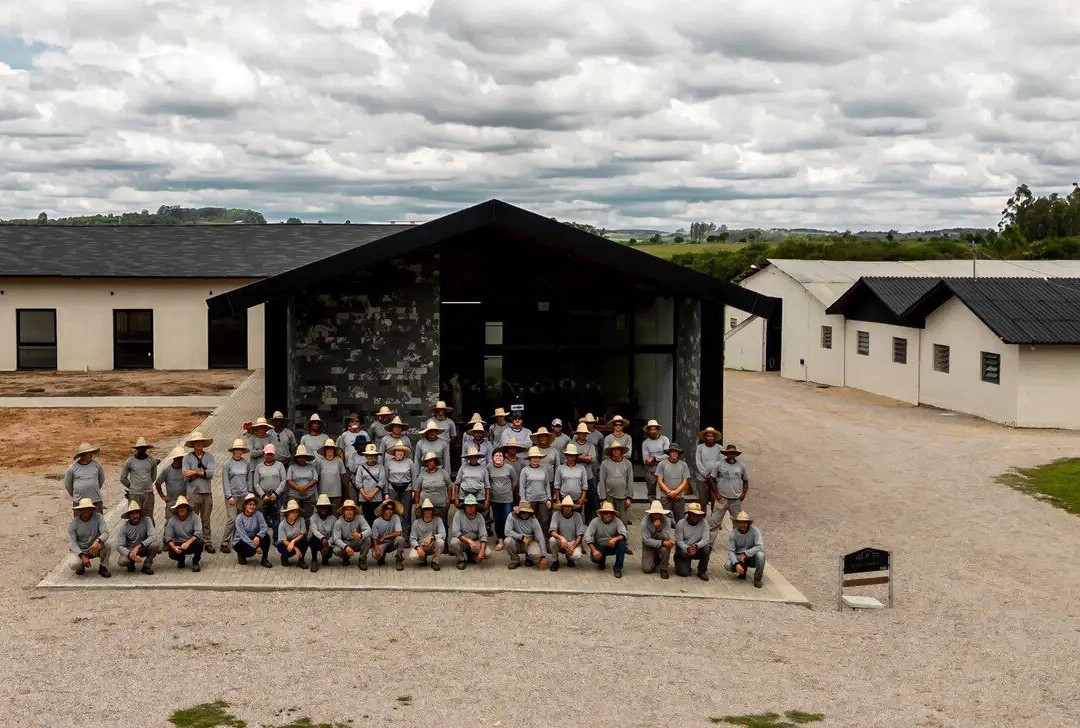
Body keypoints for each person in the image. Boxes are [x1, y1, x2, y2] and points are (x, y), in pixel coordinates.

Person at [182, 432, 217, 553]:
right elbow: (185, 475)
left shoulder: (210, 457)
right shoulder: (187, 457)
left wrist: (194, 472)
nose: (198, 444)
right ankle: (193, 541)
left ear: (203, 444)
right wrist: (202, 472)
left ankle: (207, 541)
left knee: (206, 518)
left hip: (206, 492)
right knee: (192, 518)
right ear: (193, 445)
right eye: (196, 442)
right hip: (192, 493)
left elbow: (211, 474)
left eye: (200, 442)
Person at [707, 444, 749, 542]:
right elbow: (711, 479)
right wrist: (717, 493)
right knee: (714, 522)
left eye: (733, 453)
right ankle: (708, 544)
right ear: (726, 454)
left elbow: (746, 481)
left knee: (738, 523)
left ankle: (738, 543)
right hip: (722, 499)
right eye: (729, 453)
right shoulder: (719, 465)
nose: (731, 455)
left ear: (736, 454)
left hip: (736, 499)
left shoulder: (741, 466)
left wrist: (744, 494)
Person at [220, 438, 253, 554]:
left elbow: (249, 478)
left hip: (243, 495)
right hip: (232, 496)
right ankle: (224, 542)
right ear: (233, 451)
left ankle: (237, 541)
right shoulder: (227, 464)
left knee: (241, 519)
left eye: (240, 450)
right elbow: (225, 481)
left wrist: (249, 491)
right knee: (232, 519)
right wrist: (229, 496)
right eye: (236, 450)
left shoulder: (246, 463)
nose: (238, 452)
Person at [252, 443, 287, 547]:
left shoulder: (280, 465)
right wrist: (263, 495)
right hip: (263, 496)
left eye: (271, 454)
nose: (269, 456)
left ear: (274, 454)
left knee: (276, 518)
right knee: (262, 518)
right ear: (264, 454)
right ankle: (262, 538)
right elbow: (256, 483)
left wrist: (276, 493)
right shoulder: (259, 467)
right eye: (267, 454)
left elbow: (283, 480)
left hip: (276, 495)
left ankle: (276, 538)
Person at [66, 498, 111, 577]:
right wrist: (82, 556)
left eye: (88, 509)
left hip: (94, 547)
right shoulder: (73, 523)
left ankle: (103, 566)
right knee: (73, 564)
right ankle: (81, 565)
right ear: (80, 510)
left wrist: (97, 541)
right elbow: (72, 543)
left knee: (107, 546)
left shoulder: (99, 517)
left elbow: (105, 533)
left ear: (91, 509)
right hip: (81, 549)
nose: (86, 511)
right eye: (83, 509)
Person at [115, 499, 159, 575]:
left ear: (140, 513)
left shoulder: (147, 520)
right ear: (129, 516)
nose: (135, 515)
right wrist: (130, 554)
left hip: (143, 547)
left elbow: (152, 536)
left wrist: (139, 546)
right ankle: (131, 563)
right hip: (130, 549)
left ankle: (146, 566)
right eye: (132, 513)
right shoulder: (124, 527)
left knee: (155, 545)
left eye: (136, 512)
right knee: (122, 562)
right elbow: (119, 546)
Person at [585, 500, 628, 578]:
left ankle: (618, 568)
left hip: (612, 546)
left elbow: (624, 533)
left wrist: (615, 539)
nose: (608, 514)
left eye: (610, 513)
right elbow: (587, 536)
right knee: (595, 559)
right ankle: (601, 560)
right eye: (606, 512)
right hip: (600, 546)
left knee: (622, 544)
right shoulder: (595, 522)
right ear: (602, 513)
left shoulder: (617, 521)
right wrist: (594, 551)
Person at [119, 436, 158, 518]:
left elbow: (153, 477)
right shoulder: (130, 461)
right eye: (140, 448)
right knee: (134, 517)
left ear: (146, 449)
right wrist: (131, 487)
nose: (142, 450)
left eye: (144, 448)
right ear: (137, 449)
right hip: (135, 494)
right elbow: (123, 478)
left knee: (148, 517)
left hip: (148, 493)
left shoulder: (152, 460)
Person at [411, 451, 452, 528]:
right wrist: (417, 503)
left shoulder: (443, 473)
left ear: (435, 462)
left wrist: (449, 499)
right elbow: (417, 489)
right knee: (426, 525)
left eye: (431, 461)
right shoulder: (422, 474)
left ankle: (443, 540)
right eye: (427, 461)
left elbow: (449, 485)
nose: (429, 463)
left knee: (442, 525)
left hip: (441, 504)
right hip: (425, 505)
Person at [725, 511, 765, 587]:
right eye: (740, 522)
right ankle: (742, 571)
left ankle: (757, 579)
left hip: (752, 556)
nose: (742, 524)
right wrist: (736, 564)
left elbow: (760, 546)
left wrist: (746, 553)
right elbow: (731, 551)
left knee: (761, 555)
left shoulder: (755, 530)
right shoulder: (733, 533)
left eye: (744, 522)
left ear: (748, 523)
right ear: (737, 523)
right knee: (728, 565)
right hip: (739, 557)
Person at [504, 501, 548, 570]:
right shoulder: (511, 516)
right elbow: (507, 532)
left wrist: (543, 556)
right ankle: (515, 560)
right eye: (523, 512)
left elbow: (540, 537)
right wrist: (521, 537)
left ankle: (529, 558)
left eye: (527, 512)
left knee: (536, 554)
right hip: (517, 541)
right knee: (507, 541)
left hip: (530, 542)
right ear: (519, 512)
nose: (525, 514)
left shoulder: (534, 520)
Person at [164, 495, 204, 572]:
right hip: (179, 544)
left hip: (191, 542)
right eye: (179, 507)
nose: (182, 509)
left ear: (187, 508)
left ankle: (195, 561)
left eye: (183, 507)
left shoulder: (194, 517)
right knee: (171, 551)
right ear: (177, 509)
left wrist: (188, 543)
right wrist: (174, 547)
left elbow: (199, 532)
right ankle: (180, 559)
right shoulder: (172, 520)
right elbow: (168, 537)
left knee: (200, 543)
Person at [383, 440, 416, 532]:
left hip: (407, 488)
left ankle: (406, 536)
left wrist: (413, 490)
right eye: (398, 451)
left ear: (404, 452)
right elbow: (385, 478)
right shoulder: (388, 463)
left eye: (402, 451)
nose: (400, 453)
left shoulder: (409, 462)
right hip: (392, 488)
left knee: (406, 513)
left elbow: (414, 477)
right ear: (394, 452)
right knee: (392, 512)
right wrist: (386, 492)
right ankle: (393, 535)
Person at [598, 443, 633, 528]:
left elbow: (630, 480)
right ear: (611, 451)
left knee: (623, 520)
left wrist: (629, 497)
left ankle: (622, 538)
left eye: (618, 449)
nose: (616, 451)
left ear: (621, 451)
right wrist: (603, 498)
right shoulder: (605, 463)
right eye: (614, 450)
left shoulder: (627, 463)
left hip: (623, 496)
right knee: (608, 518)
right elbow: (602, 481)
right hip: (608, 495)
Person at [488, 449, 517, 551]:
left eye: (501, 455)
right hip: (495, 499)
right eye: (496, 455)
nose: (498, 457)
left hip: (507, 499)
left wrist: (509, 490)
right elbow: (487, 481)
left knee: (507, 519)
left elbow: (515, 481)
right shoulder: (489, 468)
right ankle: (500, 540)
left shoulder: (509, 468)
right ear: (492, 457)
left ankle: (507, 539)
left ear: (504, 458)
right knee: (497, 519)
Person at [232, 493, 272, 568]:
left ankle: (264, 559)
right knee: (251, 552)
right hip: (240, 541)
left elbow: (264, 527)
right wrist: (256, 547)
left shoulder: (258, 514)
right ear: (245, 505)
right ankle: (241, 554)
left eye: (254, 504)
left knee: (266, 537)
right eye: (249, 504)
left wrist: (258, 536)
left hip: (253, 537)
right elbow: (243, 536)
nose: (252, 506)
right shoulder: (239, 518)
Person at [519, 446, 553, 533]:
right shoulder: (525, 470)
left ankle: (544, 539)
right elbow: (522, 487)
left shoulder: (543, 469)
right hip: (529, 500)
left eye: (537, 457)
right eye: (533, 457)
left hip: (542, 499)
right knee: (530, 520)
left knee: (544, 520)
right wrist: (523, 500)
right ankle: (530, 539)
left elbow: (546, 485)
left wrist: (549, 498)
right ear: (530, 458)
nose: (535, 459)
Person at [449, 494, 488, 570]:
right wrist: (468, 540)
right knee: (454, 542)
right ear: (465, 506)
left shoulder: (480, 517)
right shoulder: (458, 514)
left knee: (488, 553)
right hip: (462, 541)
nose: (471, 508)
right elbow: (455, 532)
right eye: (468, 505)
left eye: (473, 505)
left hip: (475, 541)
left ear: (476, 507)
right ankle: (461, 560)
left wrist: (482, 550)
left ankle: (471, 555)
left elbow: (483, 535)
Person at [656, 443, 691, 524]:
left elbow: (685, 481)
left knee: (680, 520)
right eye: (672, 452)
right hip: (665, 496)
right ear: (669, 453)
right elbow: (659, 480)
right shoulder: (662, 464)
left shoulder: (683, 464)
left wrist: (675, 492)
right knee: (663, 519)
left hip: (679, 496)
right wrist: (669, 492)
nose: (674, 453)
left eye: (676, 452)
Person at [674, 502, 711, 581]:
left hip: (697, 548)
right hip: (684, 549)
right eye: (694, 514)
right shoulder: (681, 524)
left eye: (698, 514)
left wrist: (696, 546)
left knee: (707, 549)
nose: (697, 516)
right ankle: (682, 562)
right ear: (689, 514)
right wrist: (687, 548)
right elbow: (679, 541)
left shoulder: (704, 523)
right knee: (683, 573)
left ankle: (702, 571)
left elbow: (705, 539)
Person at [64, 442, 105, 512]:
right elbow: (68, 484)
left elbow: (101, 479)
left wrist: (94, 489)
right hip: (79, 502)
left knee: (98, 521)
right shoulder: (73, 468)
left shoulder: (97, 465)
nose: (91, 454)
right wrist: (77, 495)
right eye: (88, 453)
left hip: (95, 500)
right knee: (79, 521)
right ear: (83, 455)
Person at [547, 495, 584, 572]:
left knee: (577, 556)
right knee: (552, 540)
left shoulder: (577, 516)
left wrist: (573, 547)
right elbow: (552, 531)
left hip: (572, 542)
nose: (568, 508)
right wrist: (561, 538)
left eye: (569, 506)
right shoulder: (556, 514)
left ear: (572, 507)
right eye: (566, 506)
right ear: (562, 507)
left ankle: (569, 558)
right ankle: (555, 560)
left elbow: (580, 535)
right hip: (560, 542)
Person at [154, 446, 188, 529]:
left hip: (183, 502)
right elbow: (157, 483)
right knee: (169, 523)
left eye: (182, 458)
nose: (180, 459)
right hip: (171, 502)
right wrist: (162, 496)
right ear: (174, 459)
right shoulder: (167, 470)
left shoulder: (186, 470)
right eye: (179, 458)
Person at [331, 499, 371, 569]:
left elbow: (369, 531)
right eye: (347, 510)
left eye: (351, 510)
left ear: (354, 511)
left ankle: (362, 560)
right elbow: (336, 539)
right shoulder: (338, 522)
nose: (349, 512)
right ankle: (345, 557)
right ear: (343, 511)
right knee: (336, 550)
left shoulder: (360, 518)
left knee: (367, 540)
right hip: (345, 541)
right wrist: (346, 547)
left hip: (356, 540)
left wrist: (360, 535)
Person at [571, 423, 599, 521]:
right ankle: (576, 521)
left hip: (588, 476)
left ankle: (588, 522)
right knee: (575, 500)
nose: (583, 434)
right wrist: (584, 457)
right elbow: (570, 458)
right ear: (578, 433)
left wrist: (578, 457)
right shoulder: (572, 444)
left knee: (590, 501)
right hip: (575, 476)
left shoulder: (590, 445)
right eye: (581, 433)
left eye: (585, 433)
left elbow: (592, 458)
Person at [640, 500, 674, 579]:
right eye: (655, 514)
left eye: (659, 514)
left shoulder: (667, 521)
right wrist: (662, 543)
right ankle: (655, 558)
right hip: (648, 546)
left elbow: (667, 537)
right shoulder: (645, 522)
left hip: (662, 545)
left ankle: (664, 569)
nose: (657, 516)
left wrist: (659, 530)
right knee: (647, 569)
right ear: (651, 514)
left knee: (666, 549)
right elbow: (646, 540)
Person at [353, 443, 387, 522]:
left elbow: (381, 482)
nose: (371, 457)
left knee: (376, 517)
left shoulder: (380, 467)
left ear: (375, 456)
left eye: (373, 455)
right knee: (366, 517)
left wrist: (372, 494)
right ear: (365, 456)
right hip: (363, 497)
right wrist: (365, 495)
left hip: (376, 497)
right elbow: (358, 482)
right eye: (368, 455)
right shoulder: (361, 468)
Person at [285, 444, 319, 522]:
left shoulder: (311, 467)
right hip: (294, 496)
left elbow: (315, 479)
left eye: (303, 456)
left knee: (307, 517)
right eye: (300, 456)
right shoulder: (292, 467)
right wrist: (299, 489)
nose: (301, 458)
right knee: (294, 516)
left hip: (309, 495)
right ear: (297, 458)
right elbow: (289, 480)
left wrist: (305, 488)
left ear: (306, 457)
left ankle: (305, 533)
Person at [410, 498, 446, 570]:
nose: (428, 512)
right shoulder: (416, 523)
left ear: (432, 511)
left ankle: (435, 561)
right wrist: (418, 548)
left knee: (441, 542)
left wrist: (432, 537)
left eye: (430, 510)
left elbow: (443, 534)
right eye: (426, 510)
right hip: (421, 545)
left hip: (433, 544)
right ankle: (423, 559)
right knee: (413, 557)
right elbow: (412, 538)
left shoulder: (438, 520)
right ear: (422, 511)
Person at [370, 499, 406, 570]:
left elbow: (399, 532)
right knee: (376, 555)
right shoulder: (376, 522)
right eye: (387, 509)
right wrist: (376, 547)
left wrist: (385, 537)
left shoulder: (396, 517)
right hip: (381, 543)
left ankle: (399, 559)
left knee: (400, 539)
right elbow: (374, 538)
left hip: (393, 542)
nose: (390, 511)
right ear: (383, 510)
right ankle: (382, 557)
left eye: (391, 509)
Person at [640, 420, 670, 502]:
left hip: (664, 468)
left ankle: (665, 509)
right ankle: (653, 509)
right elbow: (645, 460)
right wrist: (660, 457)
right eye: (651, 429)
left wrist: (654, 458)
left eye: (654, 429)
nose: (653, 431)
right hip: (651, 469)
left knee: (665, 489)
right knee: (651, 491)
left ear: (657, 430)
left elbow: (667, 455)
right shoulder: (645, 443)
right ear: (648, 431)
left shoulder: (664, 440)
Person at [316, 438, 349, 512]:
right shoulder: (320, 462)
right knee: (324, 514)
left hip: (337, 493)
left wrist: (346, 494)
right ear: (325, 450)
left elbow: (343, 476)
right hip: (323, 493)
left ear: (334, 450)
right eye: (328, 449)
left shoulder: (339, 461)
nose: (329, 450)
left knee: (336, 513)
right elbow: (317, 477)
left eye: (331, 449)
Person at [553, 443, 588, 511]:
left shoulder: (581, 468)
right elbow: (557, 485)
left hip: (577, 499)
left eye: (573, 456)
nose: (571, 457)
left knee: (577, 518)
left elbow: (585, 485)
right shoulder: (560, 468)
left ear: (576, 456)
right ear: (566, 456)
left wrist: (582, 498)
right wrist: (557, 500)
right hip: (563, 499)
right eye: (569, 455)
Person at [306, 494, 336, 572]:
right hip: (316, 540)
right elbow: (314, 530)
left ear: (329, 508)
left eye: (325, 507)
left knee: (328, 553)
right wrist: (322, 538)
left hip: (328, 541)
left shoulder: (333, 519)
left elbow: (334, 534)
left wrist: (327, 543)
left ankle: (325, 557)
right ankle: (314, 560)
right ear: (317, 508)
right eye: (321, 507)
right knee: (313, 538)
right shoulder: (313, 518)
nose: (323, 509)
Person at [695, 426, 723, 508]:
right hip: (702, 478)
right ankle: (702, 519)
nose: (710, 438)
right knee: (702, 501)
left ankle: (713, 520)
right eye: (708, 436)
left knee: (715, 501)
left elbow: (721, 462)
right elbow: (698, 462)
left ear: (714, 437)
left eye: (712, 436)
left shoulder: (719, 448)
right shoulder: (700, 447)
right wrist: (705, 474)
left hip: (715, 479)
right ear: (705, 437)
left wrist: (713, 474)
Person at [276, 499, 308, 569]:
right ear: (287, 513)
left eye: (296, 512)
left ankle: (301, 560)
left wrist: (293, 541)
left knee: (305, 540)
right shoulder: (282, 524)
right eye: (292, 512)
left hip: (296, 540)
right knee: (288, 551)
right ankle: (284, 557)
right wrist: (296, 549)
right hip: (285, 543)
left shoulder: (301, 520)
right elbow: (283, 540)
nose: (295, 514)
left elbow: (302, 534)